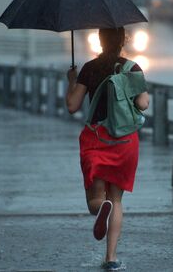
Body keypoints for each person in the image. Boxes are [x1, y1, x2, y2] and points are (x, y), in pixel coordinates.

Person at [65, 27, 149, 271]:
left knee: (96, 198)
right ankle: (111, 258)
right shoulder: (132, 67)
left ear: (100, 40)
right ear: (123, 40)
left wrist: (71, 81)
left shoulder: (90, 68)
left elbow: (72, 106)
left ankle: (100, 208)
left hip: (97, 139)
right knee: (117, 200)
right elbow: (143, 103)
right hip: (124, 141)